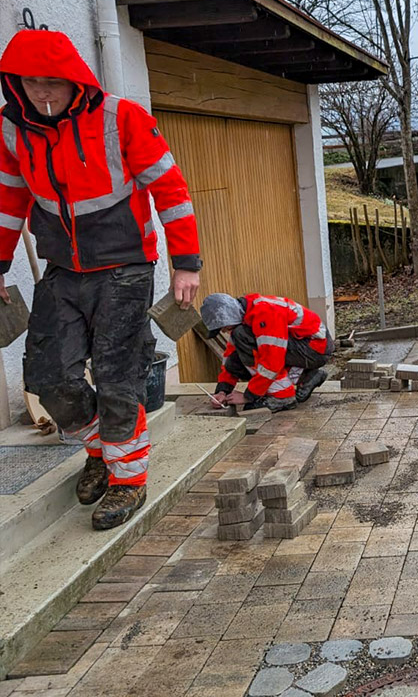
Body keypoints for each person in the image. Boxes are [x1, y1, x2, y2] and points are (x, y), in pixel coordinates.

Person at [0, 29, 202, 530]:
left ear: (75, 81)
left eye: (52, 82)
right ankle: (100, 451)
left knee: (117, 375)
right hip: (62, 269)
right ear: (14, 83)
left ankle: (128, 478)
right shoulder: (11, 129)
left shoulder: (121, 118)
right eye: (30, 82)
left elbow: (171, 189)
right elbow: (8, 200)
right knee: (50, 378)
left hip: (125, 265)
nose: (41, 92)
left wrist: (186, 264)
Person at [200, 292, 331, 413]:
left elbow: (272, 361)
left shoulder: (265, 313)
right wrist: (223, 390)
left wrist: (249, 396)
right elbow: (231, 358)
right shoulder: (244, 318)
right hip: (303, 346)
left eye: (223, 327)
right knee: (240, 356)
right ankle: (306, 376)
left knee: (255, 349)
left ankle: (282, 397)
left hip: (315, 348)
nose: (223, 331)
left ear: (230, 316)